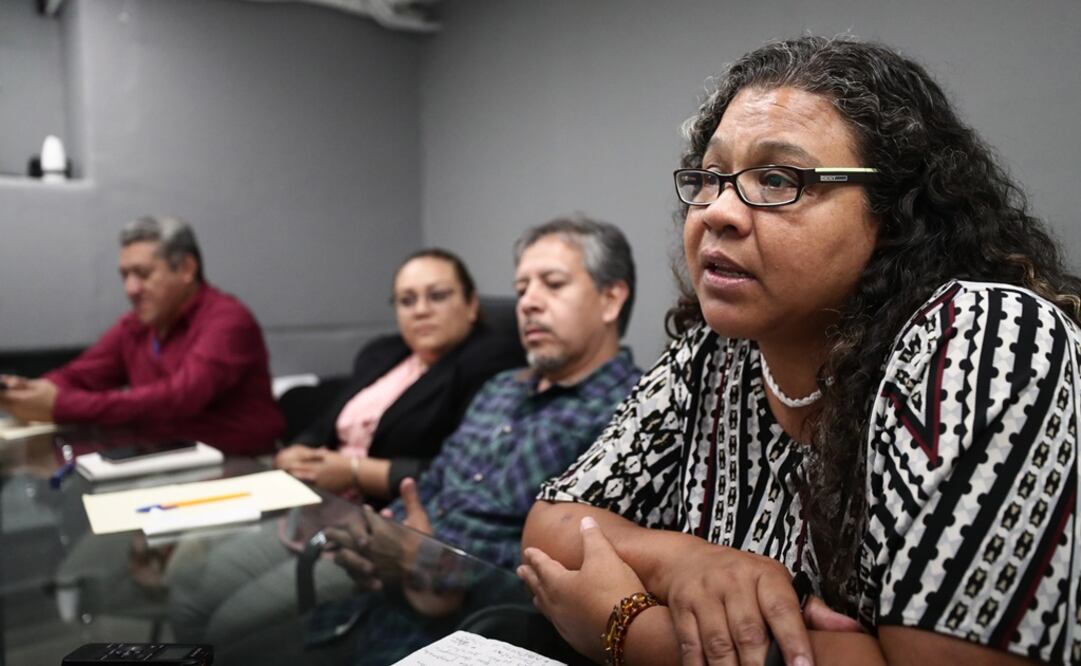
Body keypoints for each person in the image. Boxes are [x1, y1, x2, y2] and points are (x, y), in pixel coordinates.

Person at [519, 36, 1081, 666]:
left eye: (779, 179)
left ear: (894, 215)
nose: (718, 212)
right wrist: (690, 564)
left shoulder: (986, 335)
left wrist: (634, 630)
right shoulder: (713, 353)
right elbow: (553, 526)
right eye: (709, 178)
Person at [296, 215, 643, 666]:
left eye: (552, 285)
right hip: (376, 600)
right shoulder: (499, 387)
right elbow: (432, 486)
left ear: (611, 298)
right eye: (521, 290)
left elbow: (581, 576)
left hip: (475, 632)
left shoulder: (633, 412)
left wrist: (434, 564)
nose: (528, 304)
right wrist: (379, 534)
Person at [0, 215, 283, 455]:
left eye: (143, 274)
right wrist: (30, 390)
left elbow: (177, 399)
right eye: (125, 276)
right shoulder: (138, 324)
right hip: (167, 460)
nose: (131, 289)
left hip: (242, 470)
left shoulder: (228, 321)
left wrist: (60, 405)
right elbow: (82, 375)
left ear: (186, 268)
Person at [275, 248, 523, 503]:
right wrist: (299, 451)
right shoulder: (381, 352)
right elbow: (327, 424)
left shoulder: (492, 360)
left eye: (437, 296)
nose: (420, 310)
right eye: (407, 300)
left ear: (471, 304)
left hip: (397, 512)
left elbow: (464, 471)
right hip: (320, 500)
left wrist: (355, 472)